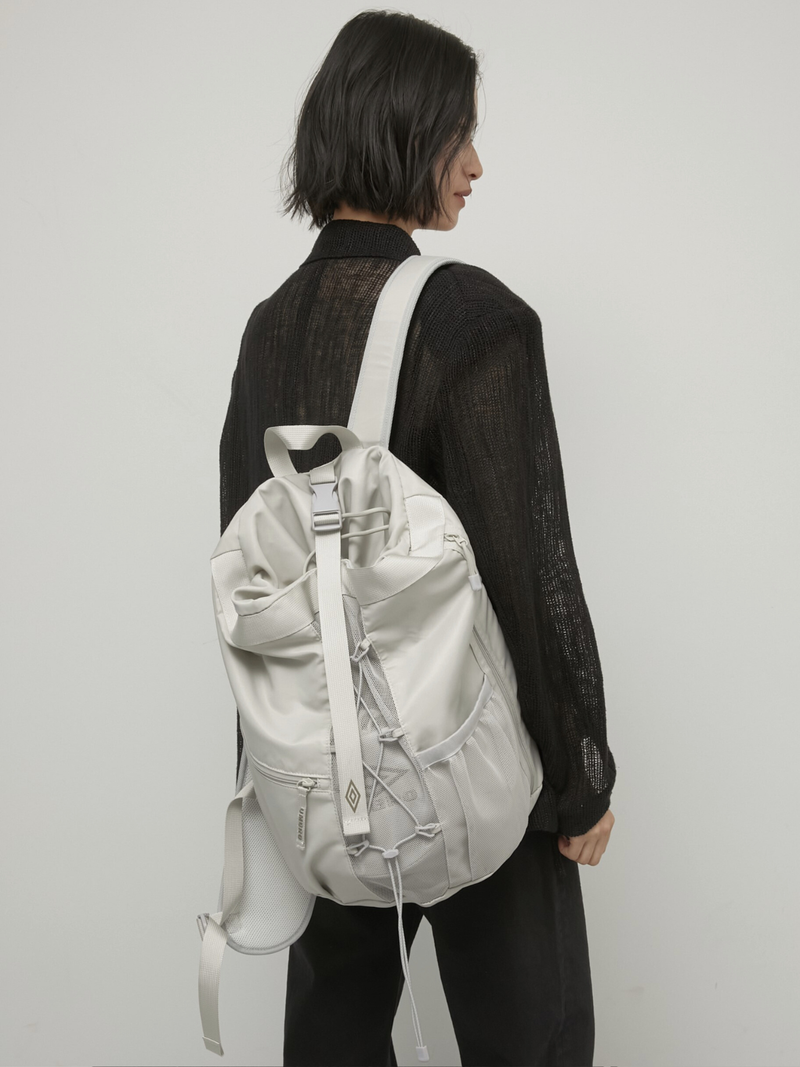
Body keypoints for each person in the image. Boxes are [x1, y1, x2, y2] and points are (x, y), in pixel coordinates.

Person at [218, 10, 616, 1066]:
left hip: (318, 773)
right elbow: (530, 572)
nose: (476, 166)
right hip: (473, 767)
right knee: (530, 1044)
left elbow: (247, 571)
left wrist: (277, 771)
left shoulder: (270, 326)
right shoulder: (474, 320)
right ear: (403, 130)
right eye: (460, 134)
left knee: (334, 1042)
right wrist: (580, 775)